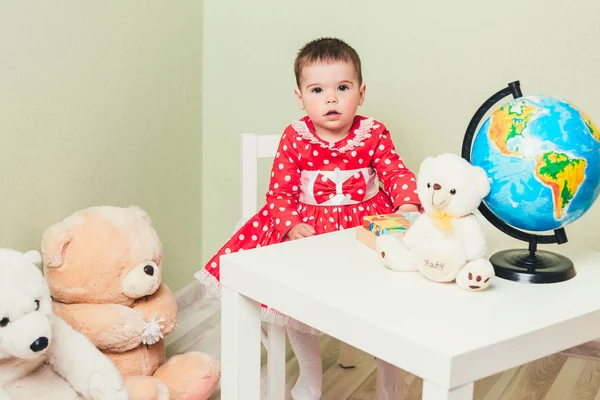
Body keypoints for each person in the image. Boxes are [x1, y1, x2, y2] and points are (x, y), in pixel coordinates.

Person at [195, 37, 421, 400]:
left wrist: (407, 205)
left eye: (342, 88)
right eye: (317, 89)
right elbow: (279, 195)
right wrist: (288, 224)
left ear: (361, 93)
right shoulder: (295, 138)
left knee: (388, 293)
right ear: (300, 97)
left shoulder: (373, 133)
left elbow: (396, 173)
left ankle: (391, 373)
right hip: (311, 231)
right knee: (293, 295)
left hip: (362, 227)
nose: (331, 99)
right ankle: (310, 369)